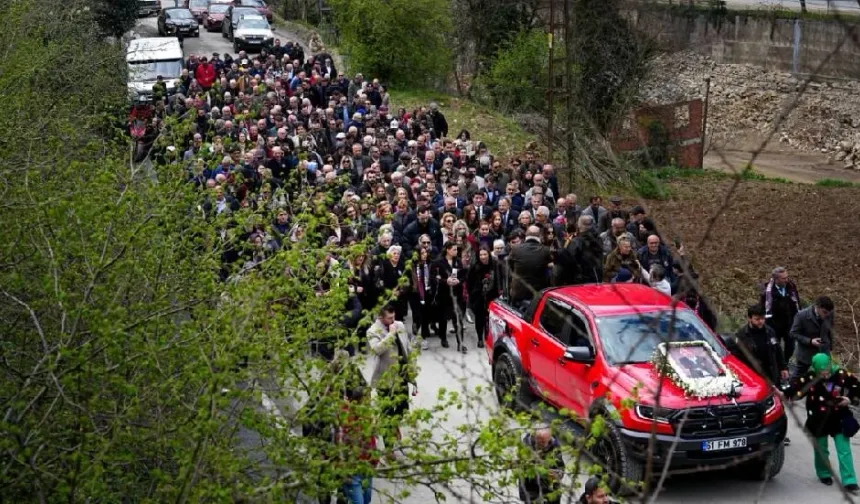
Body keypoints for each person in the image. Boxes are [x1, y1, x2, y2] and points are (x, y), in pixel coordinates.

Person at [783, 353, 860, 492]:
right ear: (815, 369)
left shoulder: (841, 374)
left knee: (844, 450)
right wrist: (781, 393)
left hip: (839, 416)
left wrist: (849, 399)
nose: (825, 374)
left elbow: (857, 387)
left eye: (827, 370)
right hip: (818, 418)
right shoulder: (810, 377)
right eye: (821, 372)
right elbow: (793, 391)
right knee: (821, 449)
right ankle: (824, 473)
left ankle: (849, 481)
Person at [367, 304, 418, 455]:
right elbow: (377, 350)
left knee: (403, 407)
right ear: (381, 317)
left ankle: (394, 426)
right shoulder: (373, 331)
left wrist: (412, 372)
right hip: (385, 378)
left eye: (393, 317)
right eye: (389, 318)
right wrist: (390, 335)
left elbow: (407, 348)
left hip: (401, 374)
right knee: (387, 413)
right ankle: (389, 448)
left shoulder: (400, 325)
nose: (392, 320)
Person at [760, 266, 801, 373]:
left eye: (787, 277)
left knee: (790, 348)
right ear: (776, 279)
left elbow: (797, 303)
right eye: (783, 278)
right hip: (774, 326)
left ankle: (784, 364)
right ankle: (776, 366)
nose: (786, 280)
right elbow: (763, 309)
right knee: (775, 348)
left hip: (789, 325)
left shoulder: (791, 287)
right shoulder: (767, 292)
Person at [789, 296, 835, 378]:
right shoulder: (801, 316)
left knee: (825, 376)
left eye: (828, 313)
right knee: (798, 377)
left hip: (824, 352)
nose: (826, 315)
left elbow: (829, 331)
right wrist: (810, 341)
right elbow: (793, 333)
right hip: (806, 353)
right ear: (817, 307)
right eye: (824, 312)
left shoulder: (829, 314)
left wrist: (830, 347)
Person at [508, 225, 552, 308]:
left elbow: (510, 265)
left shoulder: (516, 249)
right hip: (537, 293)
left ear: (526, 236)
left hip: (519, 292)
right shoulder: (546, 250)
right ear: (540, 236)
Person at [518, 427, 564, 504]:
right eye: (539, 441)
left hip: (551, 493)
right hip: (532, 492)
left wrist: (559, 474)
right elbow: (523, 476)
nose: (542, 444)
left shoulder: (555, 448)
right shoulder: (526, 449)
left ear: (549, 439)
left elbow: (560, 466)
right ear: (534, 437)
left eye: (544, 442)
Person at [467, 247, 499, 349]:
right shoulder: (474, 267)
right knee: (479, 318)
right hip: (478, 296)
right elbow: (469, 282)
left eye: (485, 254)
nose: (483, 257)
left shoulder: (494, 265)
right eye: (481, 255)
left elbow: (498, 279)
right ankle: (480, 338)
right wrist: (472, 295)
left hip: (491, 296)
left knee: (489, 317)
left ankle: (488, 335)